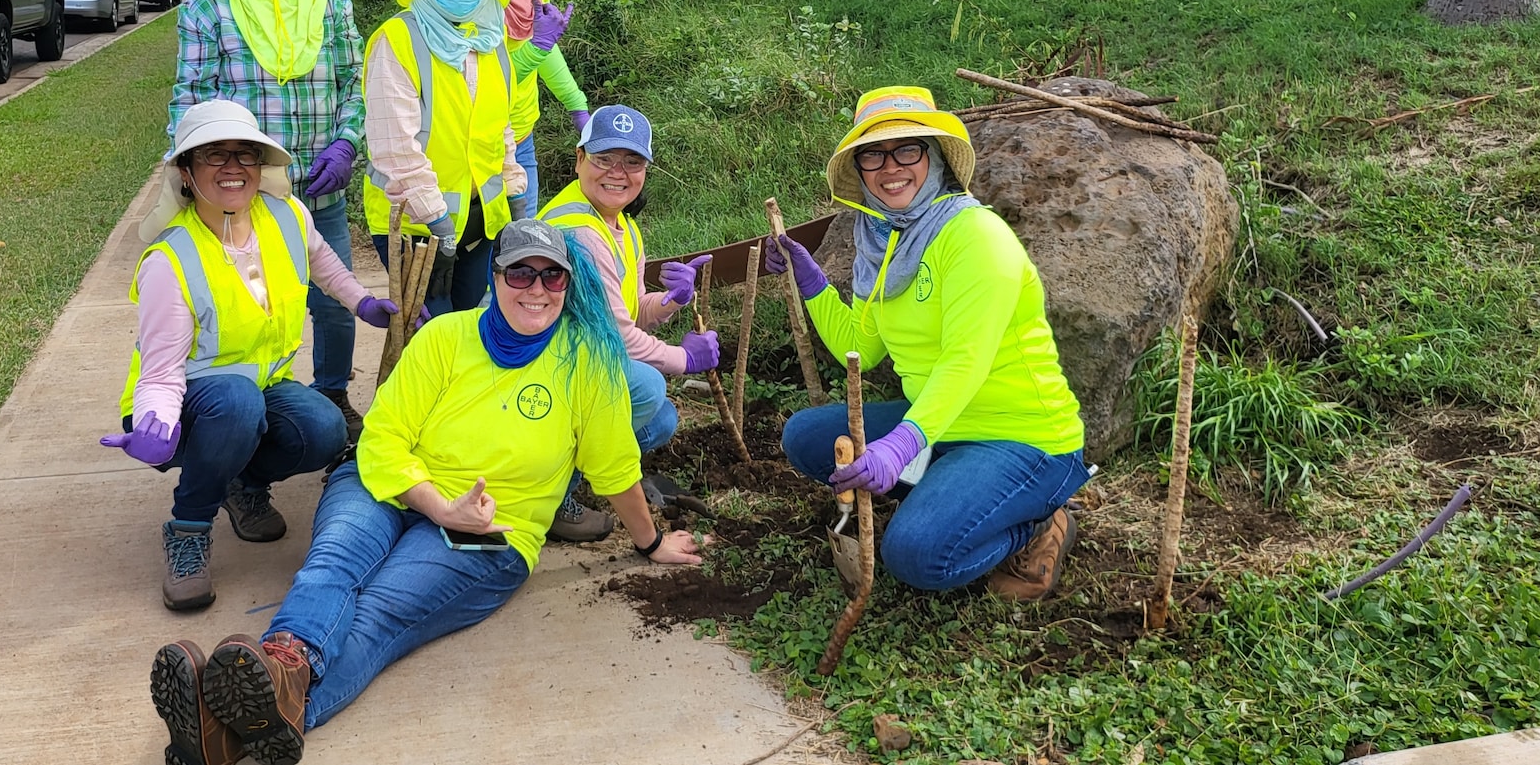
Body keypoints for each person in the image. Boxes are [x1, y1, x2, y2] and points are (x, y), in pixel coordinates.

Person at [148, 220, 706, 765]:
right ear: (494, 276)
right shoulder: (444, 337)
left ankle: (226, 730)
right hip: (388, 489)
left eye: (551, 277)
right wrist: (439, 505)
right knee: (333, 568)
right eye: (520, 273)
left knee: (379, 613)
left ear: (567, 284)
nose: (536, 289)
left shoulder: (587, 362)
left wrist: (650, 543)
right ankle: (283, 665)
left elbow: (615, 470)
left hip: (490, 532)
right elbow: (385, 437)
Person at [765, 87, 1090, 601]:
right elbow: (860, 349)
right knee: (806, 437)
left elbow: (967, 360)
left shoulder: (975, 235)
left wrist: (899, 446)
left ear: (935, 157)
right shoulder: (881, 241)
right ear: (860, 169)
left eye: (908, 149)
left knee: (916, 555)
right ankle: (948, 485)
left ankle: (1042, 522)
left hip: (1021, 437)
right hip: (938, 425)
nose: (891, 167)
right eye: (873, 154)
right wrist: (814, 285)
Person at [102, 101, 403, 612]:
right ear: (185, 171)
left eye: (244, 155)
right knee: (237, 403)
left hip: (262, 389)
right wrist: (155, 421)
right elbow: (161, 370)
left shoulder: (286, 216)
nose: (232, 167)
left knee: (325, 428)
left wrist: (363, 301)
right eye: (214, 155)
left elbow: (323, 263)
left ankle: (243, 483)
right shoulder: (170, 259)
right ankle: (189, 528)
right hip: (185, 405)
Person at [170, 0, 369, 436]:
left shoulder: (332, 5)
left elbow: (353, 85)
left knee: (332, 303)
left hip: (317, 187)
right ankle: (239, 414)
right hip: (237, 192)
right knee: (243, 306)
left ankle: (331, 395)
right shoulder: (208, 10)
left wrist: (346, 142)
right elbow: (189, 98)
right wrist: (188, 174)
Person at [537, 104, 710, 541]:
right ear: (579, 159)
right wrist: (685, 359)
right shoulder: (580, 231)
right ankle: (550, 494)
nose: (618, 172)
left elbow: (628, 311)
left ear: (646, 169)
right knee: (646, 387)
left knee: (661, 419)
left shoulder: (619, 224)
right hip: (536, 369)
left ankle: (588, 463)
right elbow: (623, 339)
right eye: (603, 159)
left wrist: (670, 301)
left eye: (632, 161)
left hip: (570, 364)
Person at [362, 0, 526, 314]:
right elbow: (396, 147)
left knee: (468, 330)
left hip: (480, 224)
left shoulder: (489, 41)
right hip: (417, 227)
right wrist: (438, 225)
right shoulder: (398, 39)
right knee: (427, 338)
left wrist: (515, 196)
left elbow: (499, 128)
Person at [431, 0, 591, 216]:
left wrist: (575, 102)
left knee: (521, 258)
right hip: (463, 143)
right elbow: (473, 78)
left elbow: (538, 40)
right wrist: (536, 50)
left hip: (519, 134)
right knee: (467, 260)